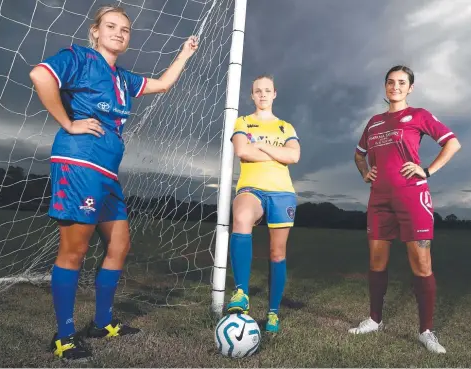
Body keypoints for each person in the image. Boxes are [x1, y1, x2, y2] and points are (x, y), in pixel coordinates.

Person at [29, 5, 198, 360]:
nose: (119, 32)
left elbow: (164, 85)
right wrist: (70, 123)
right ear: (95, 31)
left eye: (125, 29)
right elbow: (40, 76)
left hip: (106, 173)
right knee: (74, 252)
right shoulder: (79, 58)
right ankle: (64, 336)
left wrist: (184, 53)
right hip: (79, 164)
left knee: (119, 246)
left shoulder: (121, 78)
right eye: (111, 26)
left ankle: (102, 323)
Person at [349, 65, 461, 354]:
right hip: (379, 199)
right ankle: (375, 319)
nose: (395, 86)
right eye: (390, 82)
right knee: (376, 261)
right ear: (385, 86)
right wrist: (365, 172)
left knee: (421, 263)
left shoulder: (419, 115)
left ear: (410, 87)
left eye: (401, 82)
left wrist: (427, 170)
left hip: (412, 197)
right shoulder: (374, 122)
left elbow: (452, 143)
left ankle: (426, 331)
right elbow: (359, 154)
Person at [225, 75, 301, 334]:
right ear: (252, 95)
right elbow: (242, 151)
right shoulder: (243, 121)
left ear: (274, 93)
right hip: (252, 188)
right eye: (258, 91)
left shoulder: (286, 126)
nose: (263, 94)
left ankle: (273, 313)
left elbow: (294, 156)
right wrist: (275, 153)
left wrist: (262, 146)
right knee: (242, 217)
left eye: (267, 90)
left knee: (277, 254)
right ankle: (241, 293)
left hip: (282, 193)